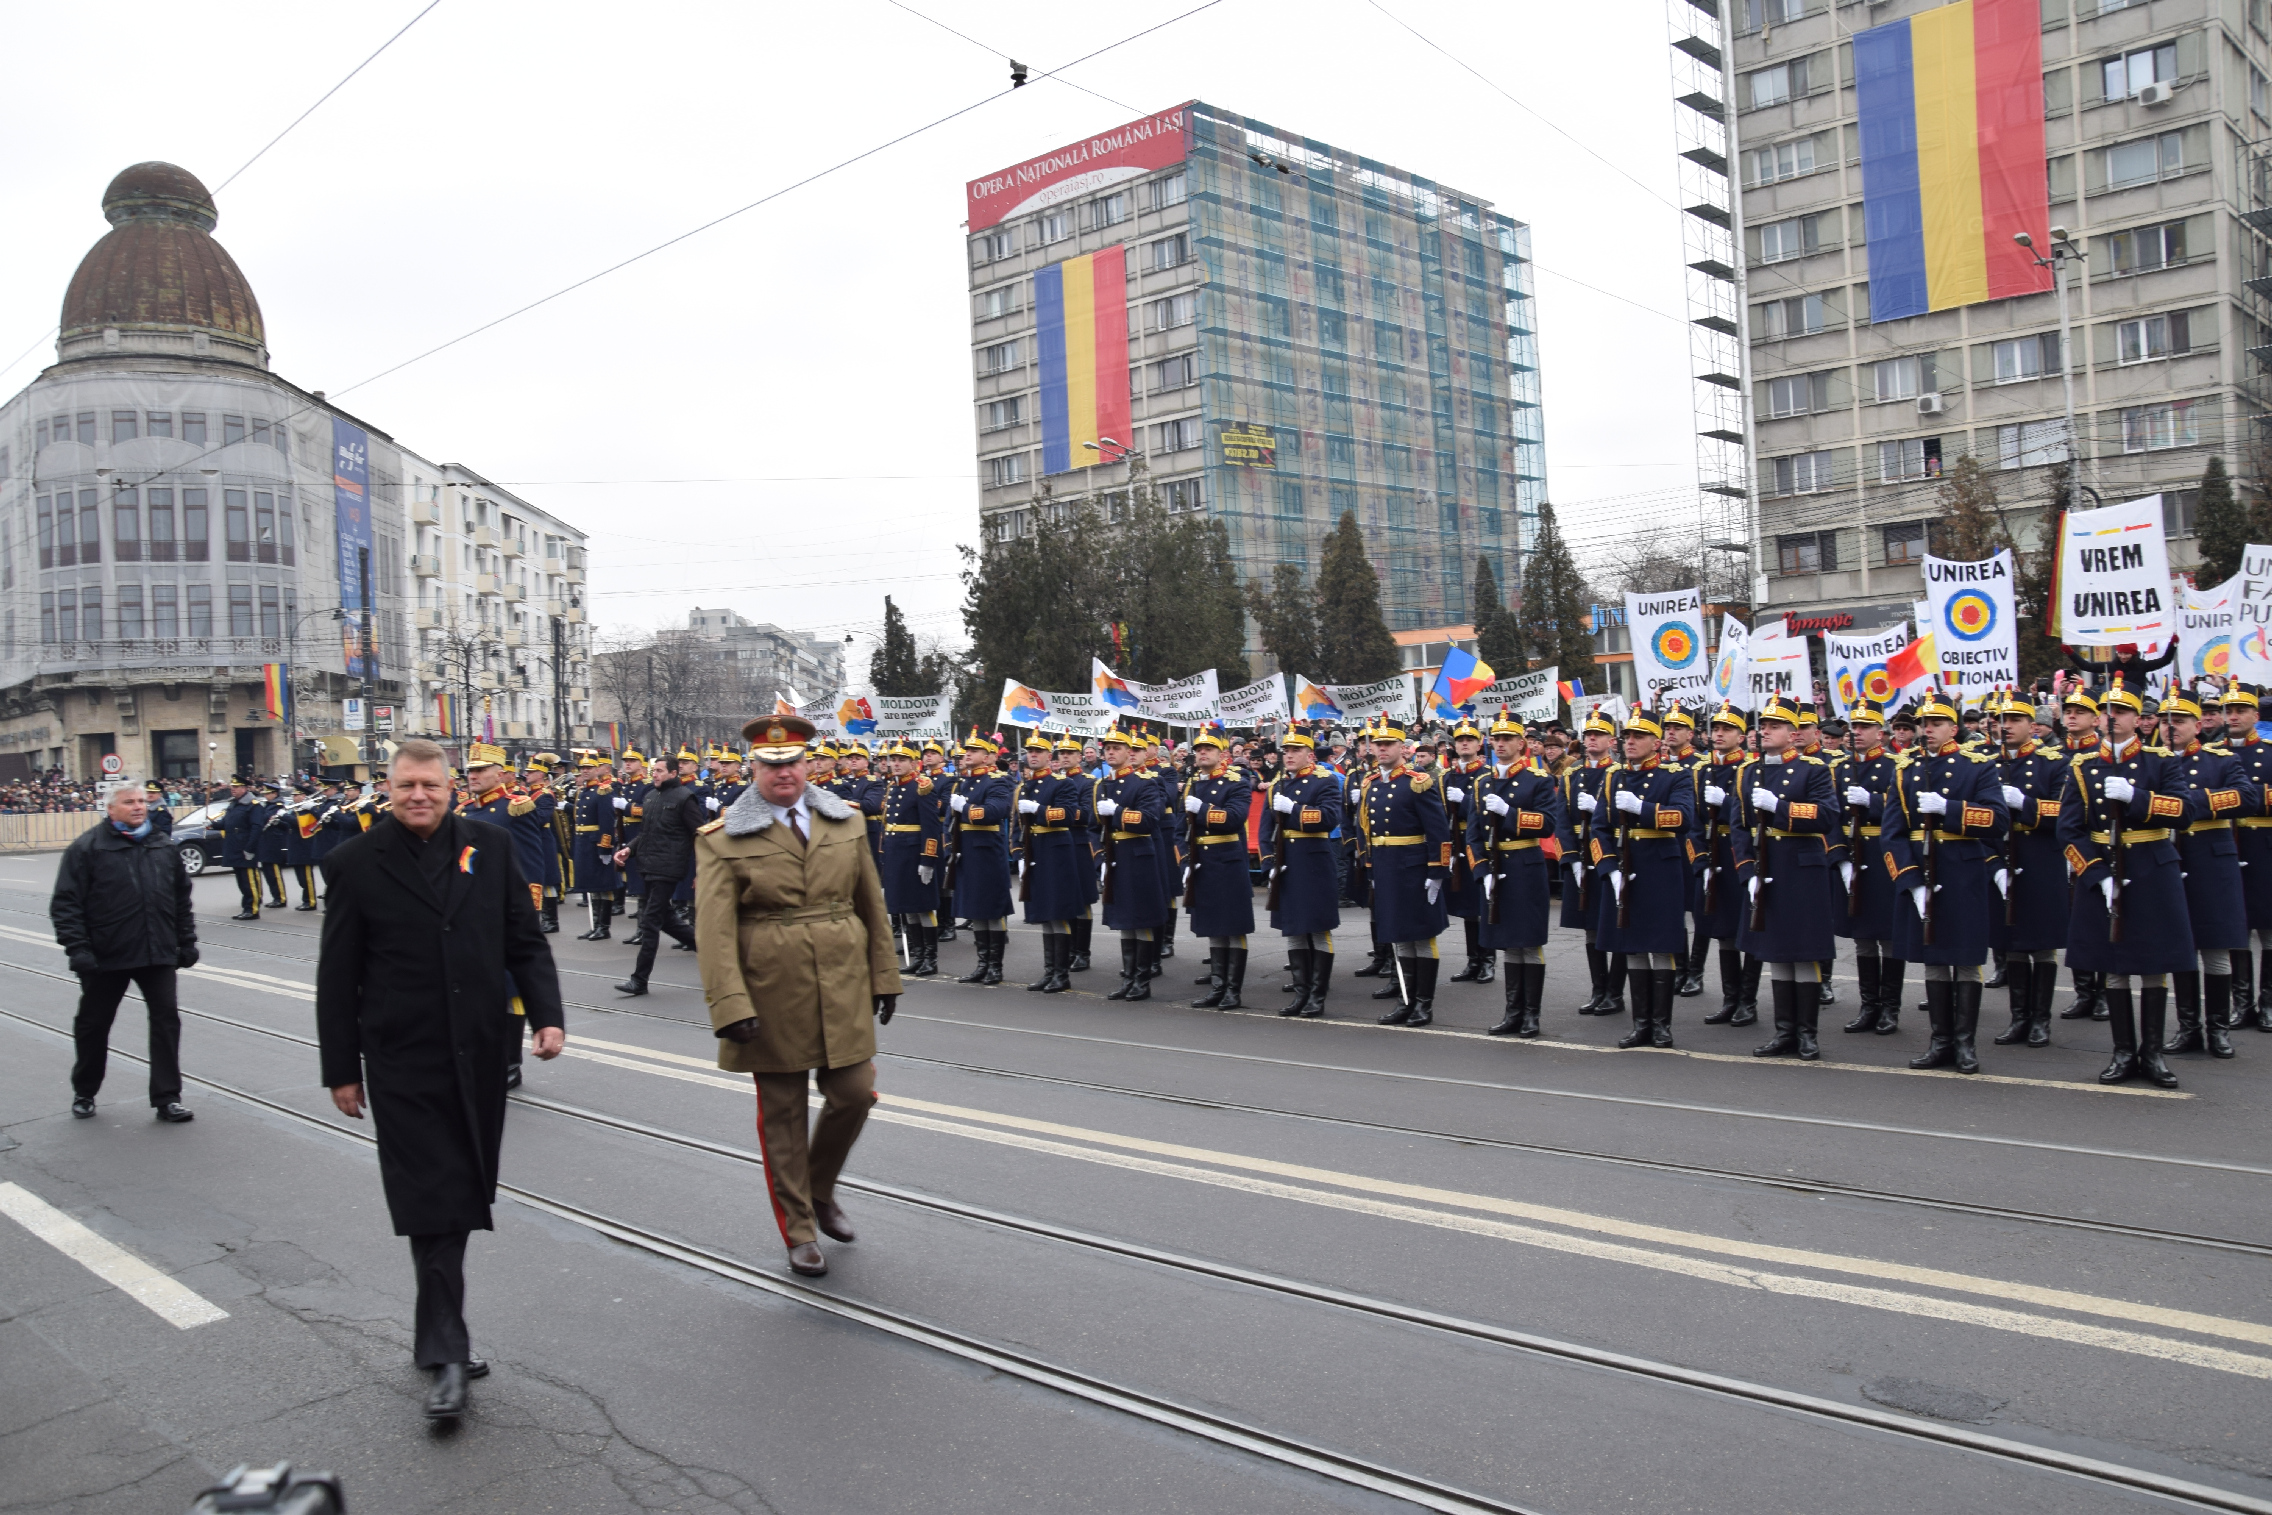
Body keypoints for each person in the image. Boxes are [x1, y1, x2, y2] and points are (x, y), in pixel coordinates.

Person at [315, 738, 565, 1419]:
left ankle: (440, 1334)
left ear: (450, 787)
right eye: (405, 786)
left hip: (480, 1050)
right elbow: (337, 975)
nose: (418, 795)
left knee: (461, 1188)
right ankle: (447, 1351)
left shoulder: (490, 844)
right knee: (434, 1193)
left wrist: (547, 1015)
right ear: (388, 790)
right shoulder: (355, 862)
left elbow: (523, 938)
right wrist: (341, 1068)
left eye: (429, 784)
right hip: (402, 1057)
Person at [692, 714, 900, 1278]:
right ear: (753, 769)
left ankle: (820, 1187)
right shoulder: (722, 838)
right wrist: (729, 1005)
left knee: (854, 1094)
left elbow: (870, 902)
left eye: (792, 763)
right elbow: (712, 932)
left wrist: (885, 974)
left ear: (809, 764)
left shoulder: (845, 821)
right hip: (770, 988)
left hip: (841, 978)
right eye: (771, 765)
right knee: (781, 1112)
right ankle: (799, 1229)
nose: (783, 773)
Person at [2056, 677, 2194, 1086]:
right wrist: (2095, 875)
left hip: (2152, 867)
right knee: (2113, 965)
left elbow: (2185, 811)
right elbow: (2069, 830)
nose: (2113, 718)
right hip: (2104, 871)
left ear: (2139, 720)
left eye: (2122, 712)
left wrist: (2138, 799)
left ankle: (2151, 1054)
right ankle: (2121, 1052)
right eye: (2108, 712)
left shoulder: (2161, 760)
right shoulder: (2082, 767)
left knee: (2154, 964)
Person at [52, 781, 200, 1122]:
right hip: (106, 955)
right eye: (130, 802)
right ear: (111, 808)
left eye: (142, 801)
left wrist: (187, 941)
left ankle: (167, 1098)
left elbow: (181, 899)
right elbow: (66, 905)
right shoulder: (87, 848)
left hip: (158, 952)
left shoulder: (161, 844)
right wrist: (78, 950)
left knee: (166, 1023)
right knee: (93, 1024)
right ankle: (85, 1091)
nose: (139, 806)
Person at [1882, 690, 2008, 1074]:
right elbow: (1892, 834)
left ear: (1954, 726)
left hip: (1964, 872)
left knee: (1966, 960)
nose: (1929, 729)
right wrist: (1910, 881)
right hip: (1922, 871)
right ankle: (1940, 1040)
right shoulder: (1905, 770)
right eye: (1925, 723)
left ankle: (1965, 1043)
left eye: (1937, 723)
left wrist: (1951, 810)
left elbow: (1998, 821)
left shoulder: (1977, 766)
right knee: (1934, 960)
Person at [1729, 696, 1841, 1060]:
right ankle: (1784, 1031)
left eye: (1775, 726)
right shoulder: (1748, 771)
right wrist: (1746, 870)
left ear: (1794, 734)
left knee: (1804, 952)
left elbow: (1827, 816)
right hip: (1767, 866)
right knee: (1776, 951)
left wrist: (1780, 807)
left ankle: (1807, 1033)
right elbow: (1739, 827)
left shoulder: (1814, 770)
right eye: (1763, 726)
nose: (1765, 731)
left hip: (1802, 867)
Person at [1591, 708, 1697, 1048]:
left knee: (1661, 948)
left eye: (1639, 736)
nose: (1631, 742)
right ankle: (1641, 1024)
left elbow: (1683, 819)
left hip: (1661, 870)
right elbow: (1598, 829)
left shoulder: (1674, 775)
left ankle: (1661, 1025)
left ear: (1656, 742)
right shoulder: (1613, 777)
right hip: (1624, 869)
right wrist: (1606, 867)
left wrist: (1643, 809)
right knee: (1633, 948)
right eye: (1628, 737)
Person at [2160, 692, 2250, 1059]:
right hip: (2172, 861)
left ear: (2198, 726)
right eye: (2167, 721)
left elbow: (2246, 796)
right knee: (2183, 948)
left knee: (2215, 949)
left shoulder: (2220, 759)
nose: (2171, 727)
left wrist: (2188, 805)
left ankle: (2219, 1029)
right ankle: (2188, 1028)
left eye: (2180, 721)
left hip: (2212, 861)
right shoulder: (2156, 764)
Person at [1988, 688, 2072, 1048]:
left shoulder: (2053, 762)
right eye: (2001, 720)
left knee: (2041, 943)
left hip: (2040, 855)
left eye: (2014, 720)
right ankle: (2019, 1016)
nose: (2005, 726)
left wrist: (2027, 804)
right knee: (2013, 941)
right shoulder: (1986, 764)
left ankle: (2040, 1019)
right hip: (2003, 856)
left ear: (2032, 726)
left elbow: (2067, 812)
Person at [1470, 716, 1562, 1036]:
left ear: (1521, 743)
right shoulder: (1482, 782)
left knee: (1529, 942)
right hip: (1496, 870)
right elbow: (1472, 835)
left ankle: (1532, 1014)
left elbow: (1549, 824)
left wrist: (1510, 813)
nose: (1500, 743)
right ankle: (1512, 1012)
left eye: (1508, 738)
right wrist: (1481, 870)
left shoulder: (1537, 779)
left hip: (1525, 865)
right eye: (1496, 738)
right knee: (1509, 943)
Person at [1363, 723, 1452, 1028]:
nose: (1383, 748)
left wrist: (1438, 871)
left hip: (1415, 869)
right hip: (1387, 867)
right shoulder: (1372, 783)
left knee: (1421, 937)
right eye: (1378, 744)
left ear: (1404, 749)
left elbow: (1439, 831)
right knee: (1399, 938)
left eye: (1389, 744)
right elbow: (1368, 831)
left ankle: (1423, 1005)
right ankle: (1406, 1000)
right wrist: (1371, 867)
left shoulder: (1418, 782)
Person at [1830, 702, 1905, 1035]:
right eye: (1854, 727)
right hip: (1853, 852)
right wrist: (1839, 858)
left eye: (1864, 727)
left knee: (1887, 936)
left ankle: (1890, 1008)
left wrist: (1873, 802)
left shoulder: (1895, 766)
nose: (1856, 732)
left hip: (1882, 855)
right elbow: (1830, 816)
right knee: (1861, 938)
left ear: (1881, 733)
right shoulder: (1841, 768)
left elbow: (1909, 808)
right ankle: (1868, 1006)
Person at [1258, 730, 1343, 1016]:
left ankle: (1317, 996)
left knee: (1317, 928)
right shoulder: (1276, 785)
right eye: (1286, 751)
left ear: (1309, 754)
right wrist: (1269, 864)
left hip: (1314, 862)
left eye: (1296, 750)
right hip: (1286, 863)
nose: (1289, 755)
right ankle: (1300, 992)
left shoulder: (1325, 780)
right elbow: (1264, 831)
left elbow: (1330, 818)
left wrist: (1295, 809)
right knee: (1293, 929)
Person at [611, 747, 704, 996]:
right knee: (666, 919)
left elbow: (701, 834)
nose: (655, 775)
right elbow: (645, 833)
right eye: (654, 771)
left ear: (673, 773)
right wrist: (629, 849)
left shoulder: (685, 798)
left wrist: (701, 869)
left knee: (650, 921)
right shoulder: (651, 796)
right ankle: (711, 952)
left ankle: (639, 980)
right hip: (649, 865)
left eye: (660, 771)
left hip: (669, 867)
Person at [1180, 732, 1256, 1008]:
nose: (1202, 753)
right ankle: (1217, 986)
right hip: (1202, 861)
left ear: (1222, 753)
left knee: (1233, 926)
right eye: (1199, 748)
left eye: (1209, 748)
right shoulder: (1192, 784)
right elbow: (1181, 830)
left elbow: (1235, 818)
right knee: (1213, 926)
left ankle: (1233, 991)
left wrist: (1203, 809)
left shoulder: (1237, 781)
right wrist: (1185, 861)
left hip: (1228, 861)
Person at [1695, 703, 1760, 1027]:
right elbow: (1692, 825)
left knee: (1746, 928)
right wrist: (1700, 861)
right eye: (1716, 729)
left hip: (1740, 853)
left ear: (1740, 736)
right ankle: (1730, 998)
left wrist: (1730, 803)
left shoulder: (1750, 769)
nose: (1719, 735)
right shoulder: (1701, 771)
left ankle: (1747, 1001)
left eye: (1726, 730)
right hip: (1714, 854)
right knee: (1723, 932)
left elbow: (1755, 816)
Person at [1095, 725, 1170, 999]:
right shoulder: (1104, 785)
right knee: (1125, 920)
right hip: (1116, 856)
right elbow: (1097, 829)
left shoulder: (1144, 783)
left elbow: (1150, 819)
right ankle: (1128, 978)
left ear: (1129, 752)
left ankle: (1142, 980)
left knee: (1142, 919)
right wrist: (1100, 857)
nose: (1111, 752)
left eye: (1117, 748)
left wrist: (1119, 813)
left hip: (1138, 856)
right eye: (1108, 749)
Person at [1014, 734, 1087, 993]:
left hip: (1057, 852)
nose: (1032, 755)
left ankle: (1061, 974)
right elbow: (1018, 825)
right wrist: (1020, 853)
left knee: (1059, 912)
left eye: (1038, 751)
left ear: (1049, 757)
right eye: (1030, 751)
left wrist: (1038, 810)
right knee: (1045, 914)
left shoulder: (1061, 783)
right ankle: (1049, 971)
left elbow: (1068, 815)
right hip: (1036, 852)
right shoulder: (1024, 786)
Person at [2219, 685, 2272, 1032]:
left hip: (2263, 846)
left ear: (2256, 715)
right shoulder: (2213, 755)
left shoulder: (2269, 754)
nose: (2233, 716)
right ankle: (2241, 1002)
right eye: (2229, 710)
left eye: (2241, 710)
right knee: (2236, 928)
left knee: (2268, 928)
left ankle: (2267, 1002)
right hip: (2226, 846)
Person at [947, 730, 1016, 985]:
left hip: (988, 852)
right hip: (968, 852)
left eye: (974, 751)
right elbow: (950, 822)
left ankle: (995, 967)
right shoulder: (964, 783)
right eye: (967, 750)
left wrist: (964, 808)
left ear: (988, 758)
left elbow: (996, 811)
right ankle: (982, 963)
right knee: (976, 910)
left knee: (993, 910)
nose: (968, 754)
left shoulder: (999, 780)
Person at [219, 775, 263, 920]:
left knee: (249, 881)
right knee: (242, 881)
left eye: (236, 787)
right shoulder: (234, 804)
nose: (233, 789)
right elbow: (226, 823)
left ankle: (253, 909)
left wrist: (250, 849)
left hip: (245, 848)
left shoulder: (253, 805)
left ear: (244, 788)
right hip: (234, 847)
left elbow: (256, 828)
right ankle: (246, 907)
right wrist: (211, 824)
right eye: (232, 787)